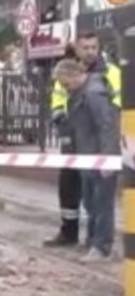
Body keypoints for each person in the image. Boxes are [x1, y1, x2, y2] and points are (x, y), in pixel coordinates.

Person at [45, 33, 121, 247]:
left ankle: (100, 244)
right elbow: (60, 101)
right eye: (85, 47)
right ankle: (87, 239)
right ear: (77, 50)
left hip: (98, 149)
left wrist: (108, 155)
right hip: (80, 146)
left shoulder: (103, 79)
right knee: (86, 198)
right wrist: (61, 121)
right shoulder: (71, 75)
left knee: (100, 201)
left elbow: (107, 121)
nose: (90, 51)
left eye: (93, 47)